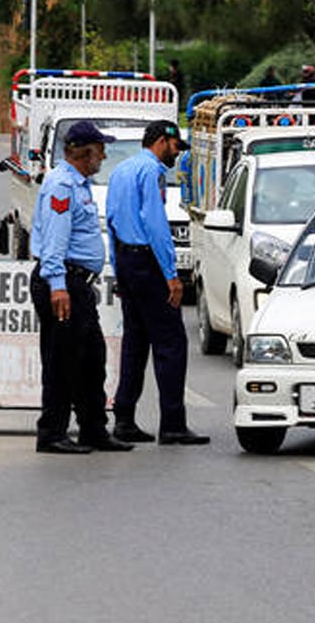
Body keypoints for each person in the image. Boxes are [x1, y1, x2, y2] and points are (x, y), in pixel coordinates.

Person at [29, 121, 134, 454]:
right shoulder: (62, 185)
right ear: (85, 151)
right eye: (100, 148)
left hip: (76, 283)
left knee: (91, 358)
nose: (104, 155)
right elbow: (55, 240)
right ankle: (52, 432)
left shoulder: (79, 184)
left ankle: (92, 429)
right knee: (63, 360)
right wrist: (57, 286)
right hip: (63, 283)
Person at [106, 120, 210, 446]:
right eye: (177, 146)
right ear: (162, 141)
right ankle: (173, 423)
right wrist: (171, 275)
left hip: (126, 259)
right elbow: (155, 224)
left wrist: (119, 268)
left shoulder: (121, 170)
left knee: (135, 344)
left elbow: (111, 220)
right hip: (148, 263)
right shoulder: (152, 172)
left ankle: (123, 419)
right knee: (171, 343)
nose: (178, 154)